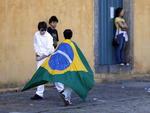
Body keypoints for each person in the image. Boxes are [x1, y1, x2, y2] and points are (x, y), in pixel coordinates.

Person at [22, 29, 94, 106]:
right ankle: (66, 96)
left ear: (64, 35)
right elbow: (78, 56)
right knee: (71, 83)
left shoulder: (61, 45)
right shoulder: (73, 44)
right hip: (70, 69)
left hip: (61, 69)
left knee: (68, 83)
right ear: (71, 35)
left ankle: (67, 98)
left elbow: (56, 55)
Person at [31, 21, 54, 100]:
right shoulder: (36, 34)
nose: (42, 32)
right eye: (40, 30)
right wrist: (37, 53)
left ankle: (62, 90)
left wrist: (40, 57)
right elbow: (35, 44)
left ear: (45, 29)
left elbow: (49, 51)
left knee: (54, 74)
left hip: (48, 58)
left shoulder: (49, 37)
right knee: (39, 75)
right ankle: (39, 93)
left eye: (43, 30)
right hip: (39, 57)